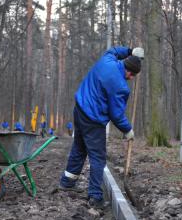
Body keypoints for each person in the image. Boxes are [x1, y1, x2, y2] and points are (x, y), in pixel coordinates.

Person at [59, 46, 144, 209]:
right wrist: (127, 130)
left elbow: (113, 51)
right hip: (93, 120)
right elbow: (116, 114)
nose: (131, 78)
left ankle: (67, 182)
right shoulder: (120, 86)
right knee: (98, 157)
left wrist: (130, 50)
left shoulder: (107, 60)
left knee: (79, 147)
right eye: (132, 75)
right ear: (128, 71)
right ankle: (95, 196)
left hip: (79, 109)